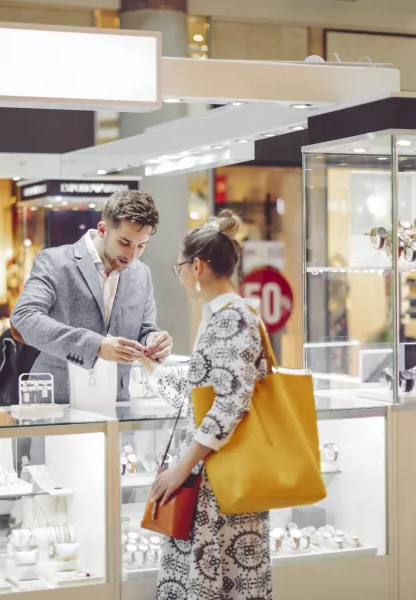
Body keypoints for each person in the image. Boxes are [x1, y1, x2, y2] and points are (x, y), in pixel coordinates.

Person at [136, 210, 272, 600]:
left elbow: (230, 405)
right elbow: (203, 402)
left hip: (220, 484)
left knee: (218, 582)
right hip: (212, 480)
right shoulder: (221, 318)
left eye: (179, 266)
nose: (178, 275)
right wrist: (149, 363)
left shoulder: (233, 319)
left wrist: (181, 469)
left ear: (196, 266)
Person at [10, 190, 173, 404]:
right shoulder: (55, 262)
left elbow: (144, 328)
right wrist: (95, 346)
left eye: (141, 245)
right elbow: (23, 318)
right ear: (103, 230)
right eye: (125, 242)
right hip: (58, 402)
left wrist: (154, 341)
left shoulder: (141, 274)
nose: (132, 255)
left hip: (118, 406)